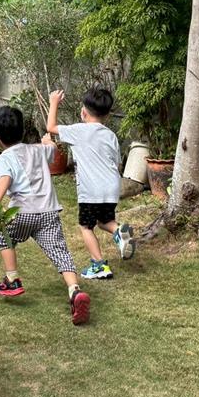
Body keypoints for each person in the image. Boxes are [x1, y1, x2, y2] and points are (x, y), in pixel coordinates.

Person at [0, 105, 90, 326]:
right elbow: (51, 149)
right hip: (48, 212)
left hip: (23, 212)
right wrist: (47, 141)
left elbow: (5, 179)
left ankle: (12, 279)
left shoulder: (3, 159)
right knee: (60, 251)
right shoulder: (38, 150)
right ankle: (74, 290)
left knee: (3, 236)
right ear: (23, 131)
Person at [47, 88, 135, 279]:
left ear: (83, 112)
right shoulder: (111, 135)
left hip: (91, 190)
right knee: (104, 221)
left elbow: (51, 127)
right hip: (111, 187)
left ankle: (99, 265)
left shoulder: (78, 131)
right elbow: (116, 163)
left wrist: (54, 102)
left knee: (86, 226)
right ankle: (119, 231)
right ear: (108, 115)